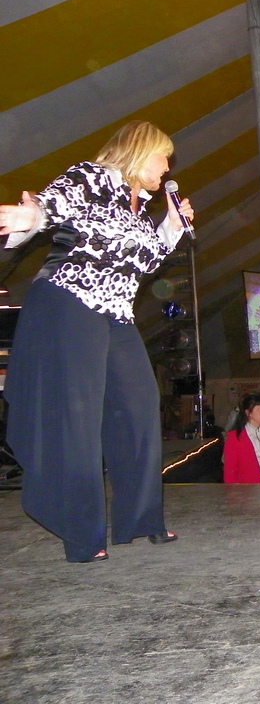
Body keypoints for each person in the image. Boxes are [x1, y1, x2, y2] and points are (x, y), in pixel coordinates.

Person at [0, 121, 191, 562]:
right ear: (139, 150)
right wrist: (32, 216)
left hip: (114, 313)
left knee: (139, 404)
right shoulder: (93, 177)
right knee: (78, 418)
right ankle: (82, 534)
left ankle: (141, 518)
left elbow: (144, 261)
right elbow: (55, 203)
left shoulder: (138, 209)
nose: (167, 168)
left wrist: (172, 225)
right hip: (69, 301)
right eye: (163, 157)